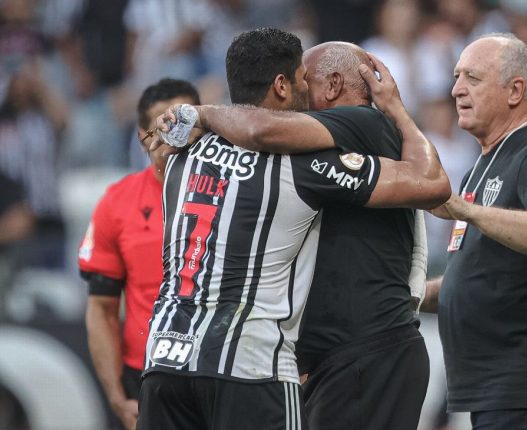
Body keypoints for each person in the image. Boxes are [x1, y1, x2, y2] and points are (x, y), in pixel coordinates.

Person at [138, 28, 449, 430]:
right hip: (251, 363)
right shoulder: (298, 166)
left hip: (166, 356)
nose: (305, 89)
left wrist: (200, 115)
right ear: (282, 85)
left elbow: (248, 132)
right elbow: (431, 185)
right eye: (301, 78)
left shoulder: (180, 158)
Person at [422, 33, 527, 429]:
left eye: (473, 78)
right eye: (455, 77)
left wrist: (465, 209)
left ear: (515, 90)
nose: (456, 90)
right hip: (502, 384)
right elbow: (475, 277)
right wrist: (410, 291)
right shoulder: (482, 166)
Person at [78, 78, 201, 430]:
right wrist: (117, 396)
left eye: (185, 124)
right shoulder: (117, 203)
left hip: (223, 369)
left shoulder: (239, 191)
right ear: (142, 136)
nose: (176, 138)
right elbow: (101, 308)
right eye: (163, 127)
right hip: (147, 375)